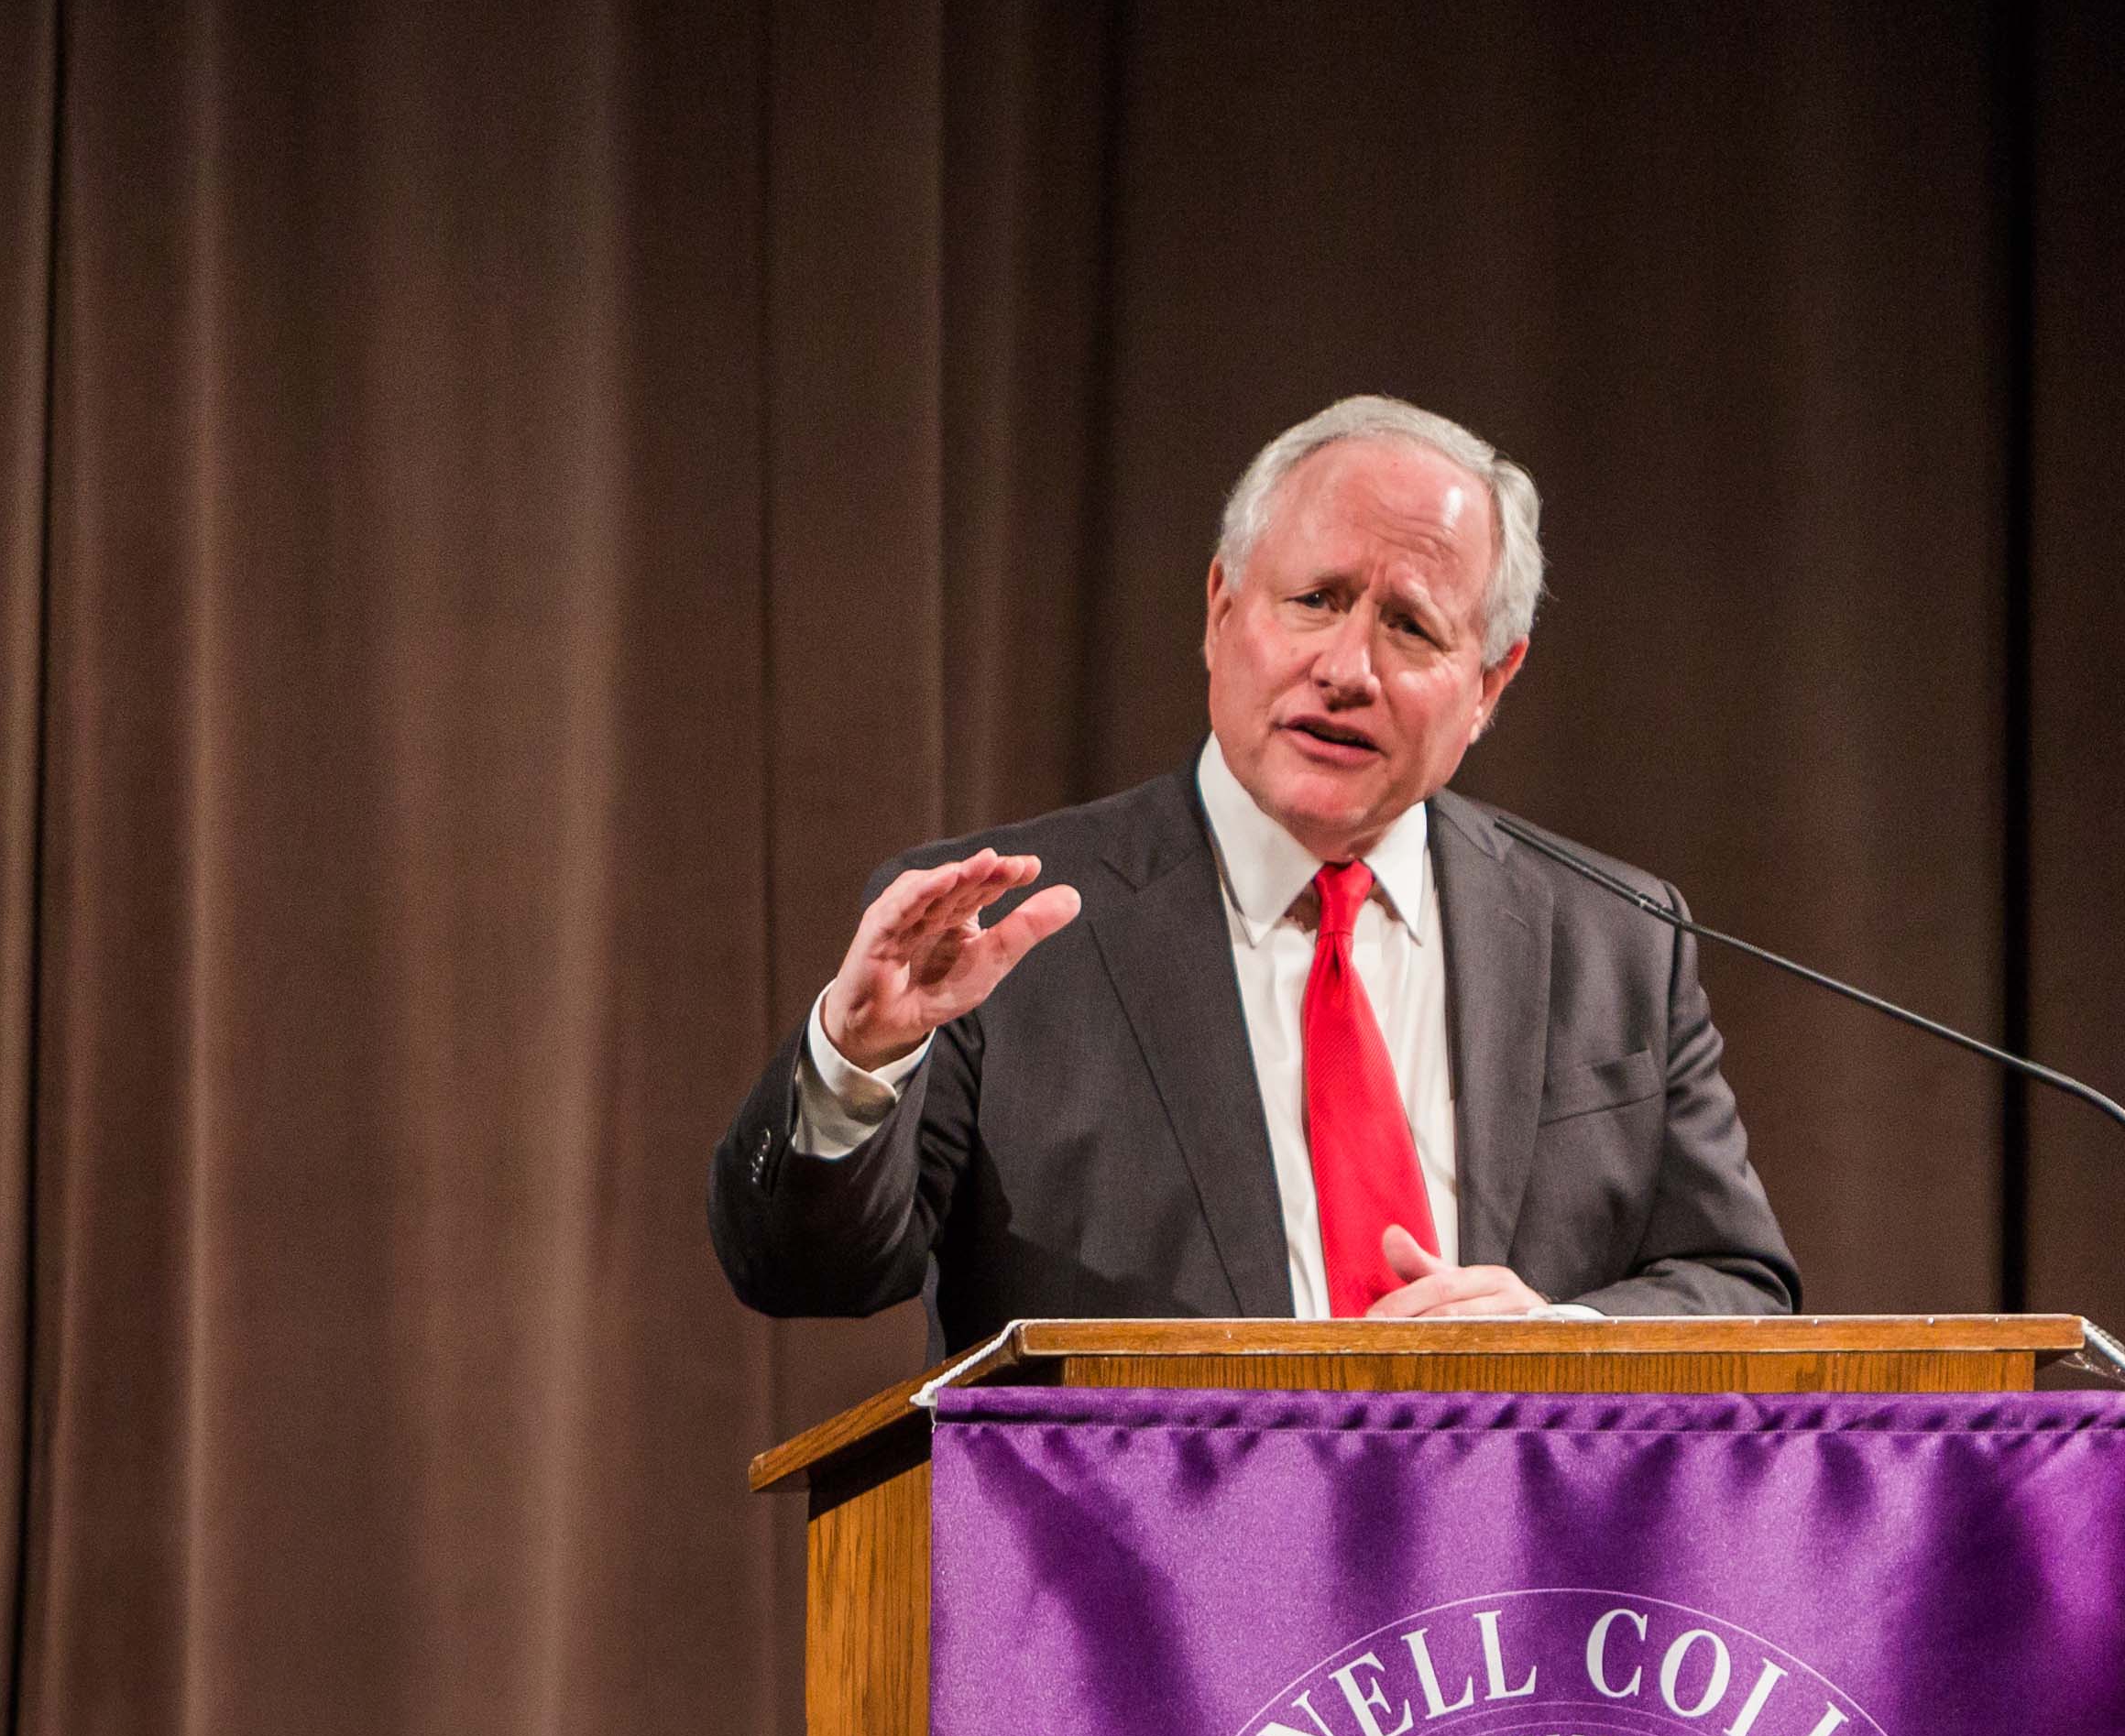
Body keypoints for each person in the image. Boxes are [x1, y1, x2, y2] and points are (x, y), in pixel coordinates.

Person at [707, 395, 1796, 1348]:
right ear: (1222, 609)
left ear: (1490, 682)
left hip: (1511, 1575)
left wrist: (1565, 1341)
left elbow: (1739, 1284)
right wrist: (858, 1060)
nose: (1347, 669)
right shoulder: (996, 929)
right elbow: (807, 1275)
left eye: (1411, 626)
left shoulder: (1617, 938)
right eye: (1314, 600)